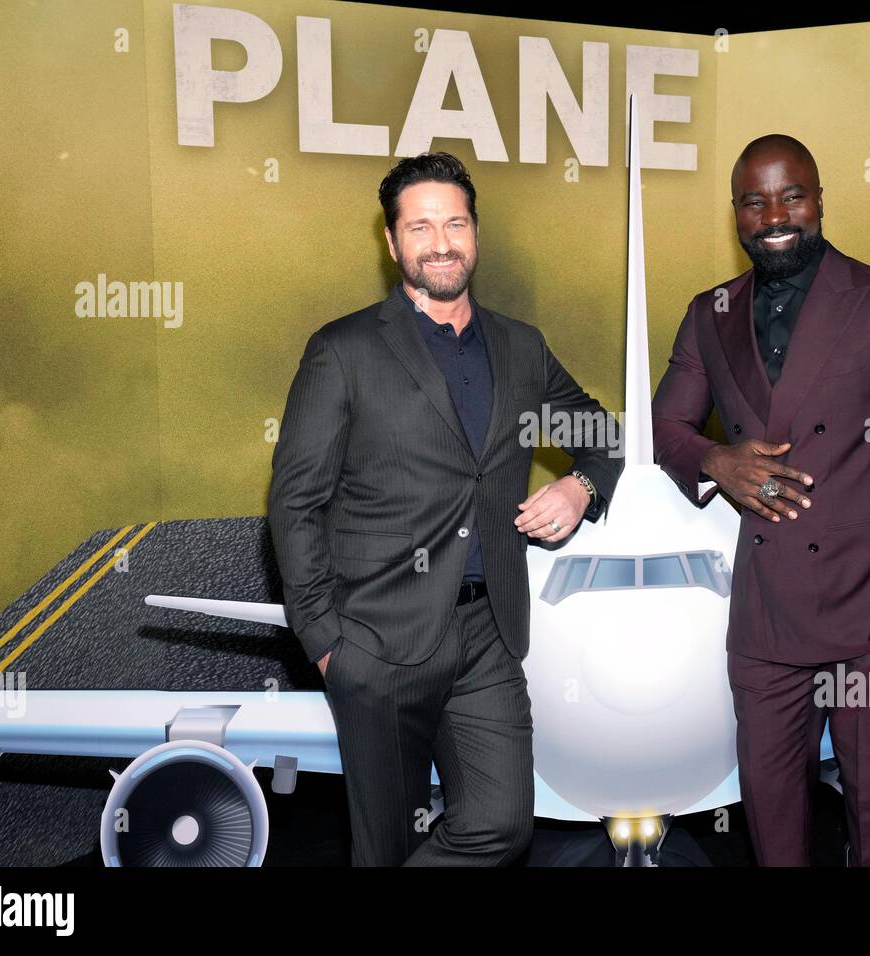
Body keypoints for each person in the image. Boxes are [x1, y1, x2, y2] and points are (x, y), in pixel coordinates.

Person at [268, 152, 623, 865]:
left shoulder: (521, 347)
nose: (441, 242)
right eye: (420, 225)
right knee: (385, 844)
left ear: (476, 233)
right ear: (393, 243)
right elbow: (294, 502)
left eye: (454, 222)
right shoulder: (342, 351)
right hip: (376, 640)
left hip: (489, 633)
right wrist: (329, 645)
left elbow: (602, 435)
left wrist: (579, 487)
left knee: (501, 826)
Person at [652, 134, 870, 865]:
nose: (774, 214)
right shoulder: (709, 314)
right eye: (753, 200)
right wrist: (715, 459)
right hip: (766, 621)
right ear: (735, 212)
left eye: (791, 195)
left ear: (821, 199)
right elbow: (666, 426)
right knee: (773, 830)